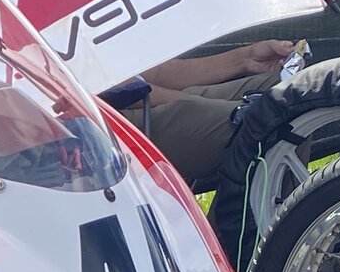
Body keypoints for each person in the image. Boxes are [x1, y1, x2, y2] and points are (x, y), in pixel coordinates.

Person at [125, 39, 297, 182]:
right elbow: (117, 88)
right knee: (272, 117)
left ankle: (283, 207)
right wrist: (204, 104)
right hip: (119, 130)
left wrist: (246, 58)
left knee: (291, 90)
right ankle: (246, 212)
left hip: (144, 98)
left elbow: (155, 74)